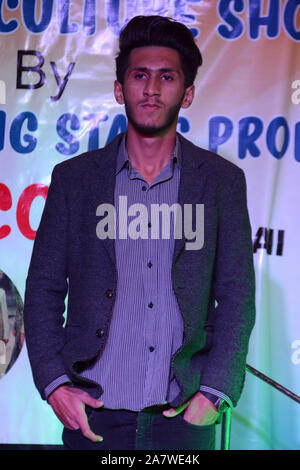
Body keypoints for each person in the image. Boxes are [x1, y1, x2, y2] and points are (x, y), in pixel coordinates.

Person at [24, 15, 255, 450]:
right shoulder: (75, 180)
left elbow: (237, 294)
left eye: (167, 77)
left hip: (184, 415)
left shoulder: (221, 182)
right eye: (140, 75)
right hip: (94, 416)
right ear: (119, 89)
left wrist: (215, 391)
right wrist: (54, 384)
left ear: (186, 94)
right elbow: (43, 288)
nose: (152, 88)